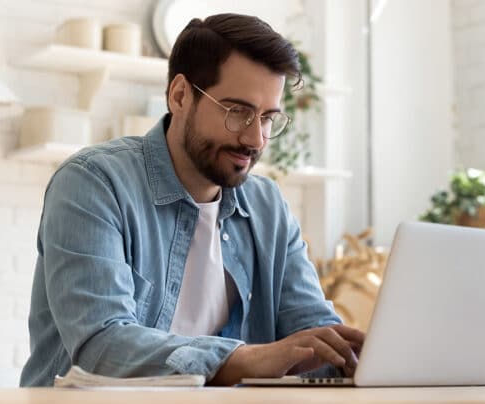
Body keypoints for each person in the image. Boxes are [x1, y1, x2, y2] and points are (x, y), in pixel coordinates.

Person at [20, 13, 364, 387]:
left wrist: (355, 357)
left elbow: (313, 332)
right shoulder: (93, 184)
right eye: (238, 112)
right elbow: (101, 347)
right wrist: (244, 359)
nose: (255, 139)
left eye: (267, 118)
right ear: (180, 95)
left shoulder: (268, 208)